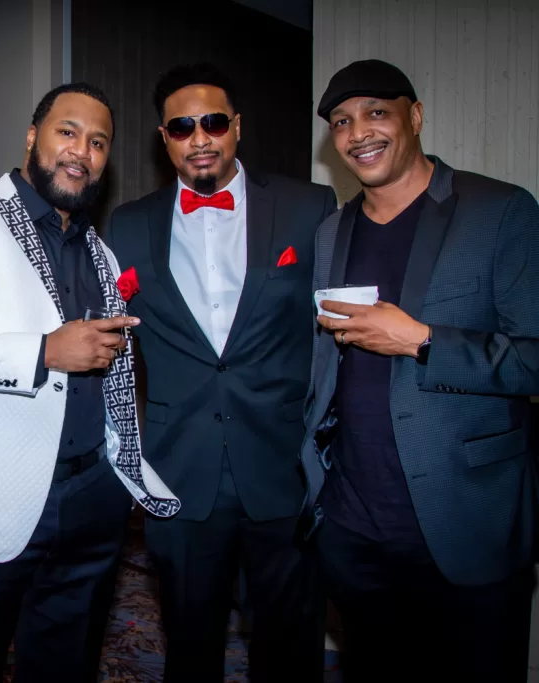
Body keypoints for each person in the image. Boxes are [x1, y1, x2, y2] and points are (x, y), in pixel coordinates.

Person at [0, 82, 179, 682]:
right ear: (32, 136)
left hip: (91, 502)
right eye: (67, 132)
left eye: (98, 142)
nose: (82, 152)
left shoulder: (99, 252)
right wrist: (44, 351)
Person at [302, 58, 539, 682]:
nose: (358, 133)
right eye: (342, 122)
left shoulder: (501, 211)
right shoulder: (332, 232)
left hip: (464, 525)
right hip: (355, 527)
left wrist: (423, 340)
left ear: (415, 116)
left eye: (376, 113)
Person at [106, 63, 337, 682]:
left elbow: (335, 328)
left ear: (236, 127)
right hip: (180, 468)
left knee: (289, 644)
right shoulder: (126, 225)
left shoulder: (307, 207)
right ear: (165, 138)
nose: (199, 137)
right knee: (189, 642)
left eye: (213, 122)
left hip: (282, 464)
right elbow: (110, 342)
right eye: (183, 127)